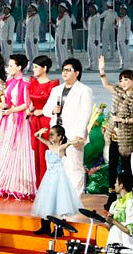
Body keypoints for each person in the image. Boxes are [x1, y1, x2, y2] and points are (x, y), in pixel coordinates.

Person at [0, 54, 37, 199]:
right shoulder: (9, 82)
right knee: (5, 148)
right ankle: (2, 181)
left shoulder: (24, 83)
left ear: (19, 67)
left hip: (19, 120)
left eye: (11, 65)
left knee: (18, 150)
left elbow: (26, 104)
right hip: (8, 119)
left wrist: (11, 110)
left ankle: (17, 184)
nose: (8, 68)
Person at [42, 57, 93, 197]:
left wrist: (80, 134)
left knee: (74, 167)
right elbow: (46, 110)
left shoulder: (84, 90)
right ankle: (59, 195)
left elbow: (86, 114)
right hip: (57, 134)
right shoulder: (56, 90)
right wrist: (53, 110)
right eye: (63, 70)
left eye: (68, 70)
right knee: (58, 165)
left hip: (73, 133)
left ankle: (75, 197)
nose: (64, 73)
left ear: (76, 73)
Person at [99, 57, 133, 209]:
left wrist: (122, 120)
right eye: (121, 80)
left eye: (126, 80)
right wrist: (102, 71)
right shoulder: (118, 92)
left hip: (127, 137)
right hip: (114, 136)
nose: (123, 83)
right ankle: (112, 196)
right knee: (112, 167)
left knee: (126, 168)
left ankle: (128, 196)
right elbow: (106, 85)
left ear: (132, 81)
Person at [31, 125, 84, 233]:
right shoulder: (49, 145)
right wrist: (40, 131)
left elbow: (71, 143)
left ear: (59, 137)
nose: (50, 136)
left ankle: (58, 229)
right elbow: (36, 136)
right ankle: (45, 226)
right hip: (49, 177)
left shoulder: (61, 147)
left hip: (58, 178)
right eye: (49, 134)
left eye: (52, 134)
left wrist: (77, 140)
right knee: (47, 200)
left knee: (58, 201)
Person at [28, 55, 60, 191]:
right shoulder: (33, 83)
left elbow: (53, 104)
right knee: (35, 154)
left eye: (36, 67)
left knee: (45, 152)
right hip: (34, 120)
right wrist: (30, 108)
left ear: (45, 68)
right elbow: (30, 101)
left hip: (46, 121)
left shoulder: (52, 85)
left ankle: (48, 187)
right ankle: (38, 187)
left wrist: (42, 111)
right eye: (33, 67)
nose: (33, 70)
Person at [85, 3, 101, 70]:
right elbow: (86, 28)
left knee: (95, 52)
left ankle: (95, 66)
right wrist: (83, 21)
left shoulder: (97, 18)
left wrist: (97, 39)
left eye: (92, 8)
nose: (90, 9)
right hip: (89, 36)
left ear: (95, 10)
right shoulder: (89, 18)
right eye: (90, 8)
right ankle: (90, 64)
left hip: (95, 37)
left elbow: (98, 29)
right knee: (90, 52)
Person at [115, 5, 130, 70]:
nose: (121, 11)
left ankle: (126, 65)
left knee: (125, 52)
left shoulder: (127, 19)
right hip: (119, 37)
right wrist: (115, 24)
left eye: (123, 9)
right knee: (120, 52)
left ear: (125, 11)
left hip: (124, 38)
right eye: (121, 9)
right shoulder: (119, 19)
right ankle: (121, 64)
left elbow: (128, 29)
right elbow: (117, 27)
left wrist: (127, 38)